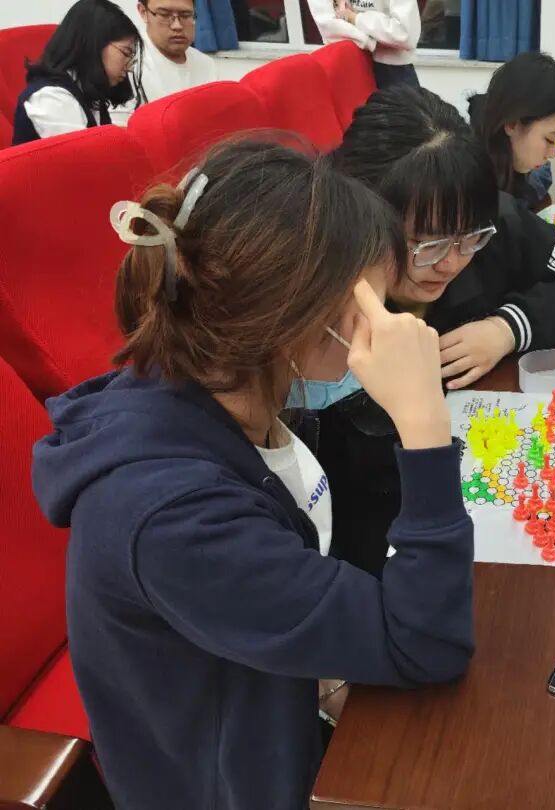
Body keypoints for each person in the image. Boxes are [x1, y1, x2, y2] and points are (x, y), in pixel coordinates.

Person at [32, 139, 475, 809]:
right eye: (371, 303)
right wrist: (423, 426)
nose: (389, 321)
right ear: (292, 319)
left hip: (276, 697)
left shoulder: (229, 390)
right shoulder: (172, 516)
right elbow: (428, 644)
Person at [323, 85, 555, 574]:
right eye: (425, 245)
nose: (451, 263)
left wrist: (507, 329)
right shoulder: (317, 297)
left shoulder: (489, 221)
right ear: (359, 217)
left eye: (469, 239)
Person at [12, 0, 144, 146]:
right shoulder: (51, 98)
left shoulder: (89, 91)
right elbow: (88, 156)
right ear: (94, 45)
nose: (130, 67)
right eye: (126, 53)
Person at [468, 51, 555, 207]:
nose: (552, 154)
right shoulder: (467, 180)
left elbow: (542, 173)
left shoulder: (518, 161)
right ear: (512, 123)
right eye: (550, 140)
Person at [308, 0, 421, 89]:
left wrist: (355, 18)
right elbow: (329, 27)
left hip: (393, 70)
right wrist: (371, 39)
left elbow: (405, 34)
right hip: (348, 68)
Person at [136, 0, 217, 101]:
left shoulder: (206, 65)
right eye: (164, 15)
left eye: (185, 15)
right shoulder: (130, 65)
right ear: (143, 12)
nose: (177, 26)